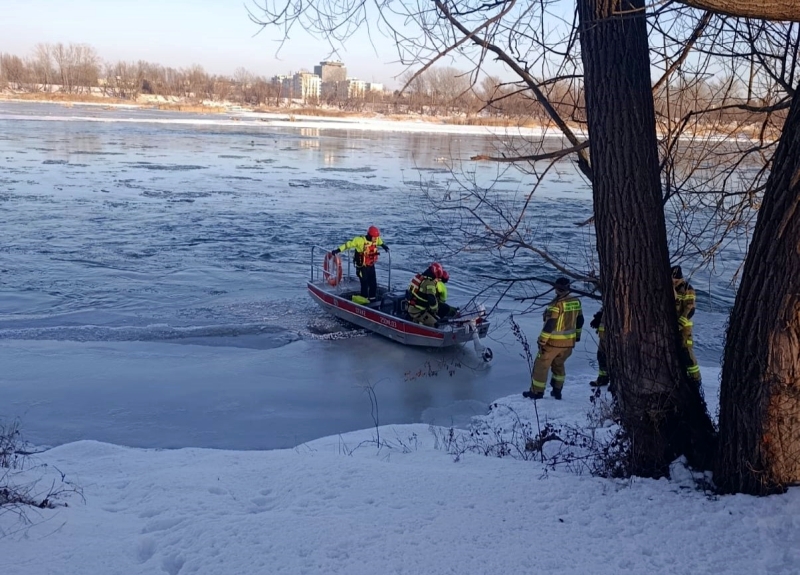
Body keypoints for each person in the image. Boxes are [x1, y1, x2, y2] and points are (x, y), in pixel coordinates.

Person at [523, 277, 584, 400]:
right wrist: (577, 336)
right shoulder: (576, 301)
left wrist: (542, 340)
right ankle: (557, 391)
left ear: (556, 288)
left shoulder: (556, 303)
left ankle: (537, 392)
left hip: (553, 342)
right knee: (559, 365)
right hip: (568, 343)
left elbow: (551, 323)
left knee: (541, 365)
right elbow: (580, 320)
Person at [329, 226, 389, 300]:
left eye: (376, 237)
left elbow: (380, 241)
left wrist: (384, 246)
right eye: (374, 237)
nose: (375, 239)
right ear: (369, 235)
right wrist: (337, 250)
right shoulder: (359, 240)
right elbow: (348, 244)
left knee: (373, 284)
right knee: (365, 284)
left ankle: (372, 299)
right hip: (362, 267)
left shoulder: (376, 239)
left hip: (371, 266)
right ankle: (364, 300)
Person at [672, 265, 701, 383]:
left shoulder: (687, 288)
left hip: (684, 327)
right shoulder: (672, 288)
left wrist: (680, 324)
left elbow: (690, 310)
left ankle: (696, 378)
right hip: (673, 325)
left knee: (686, 351)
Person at [589, 308, 609, 388]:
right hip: (604, 336)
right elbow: (604, 307)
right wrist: (598, 316)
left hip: (614, 337)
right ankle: (603, 379)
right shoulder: (608, 301)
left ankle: (616, 382)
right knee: (601, 357)